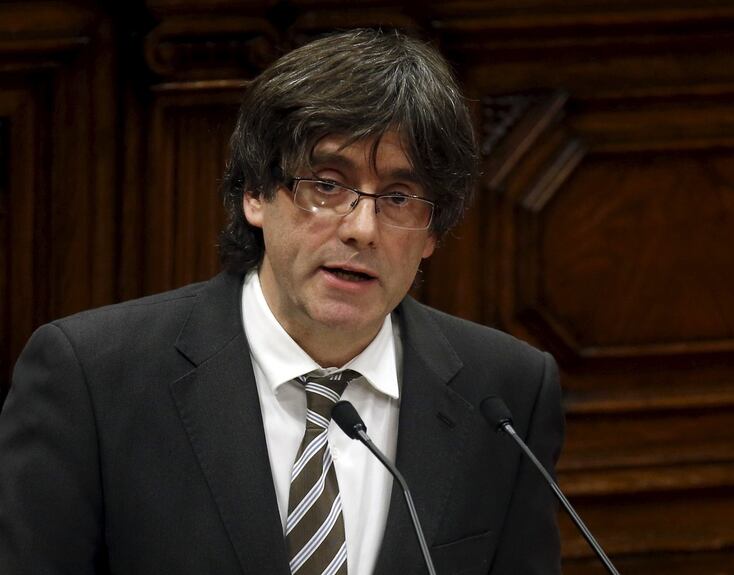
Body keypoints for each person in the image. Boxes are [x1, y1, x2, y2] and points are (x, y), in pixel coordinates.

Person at [0, 28, 563, 575]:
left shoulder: (507, 394)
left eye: (397, 197)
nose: (362, 229)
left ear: (433, 231)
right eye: (326, 184)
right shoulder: (93, 378)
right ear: (254, 193)